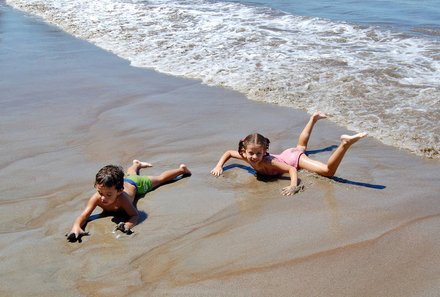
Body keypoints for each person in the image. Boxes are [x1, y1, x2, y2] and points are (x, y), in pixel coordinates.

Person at [211, 112, 367, 196]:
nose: (253, 157)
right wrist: (219, 166)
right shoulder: (246, 156)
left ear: (265, 151)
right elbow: (229, 153)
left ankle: (345, 144)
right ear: (244, 151)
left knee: (328, 171)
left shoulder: (268, 162)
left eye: (258, 153)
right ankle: (313, 119)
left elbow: (291, 170)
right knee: (300, 145)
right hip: (287, 153)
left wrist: (293, 185)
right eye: (251, 153)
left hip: (294, 160)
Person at [66, 160, 191, 242]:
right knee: (130, 173)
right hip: (125, 180)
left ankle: (182, 170)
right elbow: (84, 215)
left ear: (119, 191)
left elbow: (134, 215)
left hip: (137, 184)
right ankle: (137, 164)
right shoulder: (98, 197)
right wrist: (76, 227)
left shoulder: (122, 199)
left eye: (108, 194)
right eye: (100, 192)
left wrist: (127, 225)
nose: (103, 198)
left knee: (160, 179)